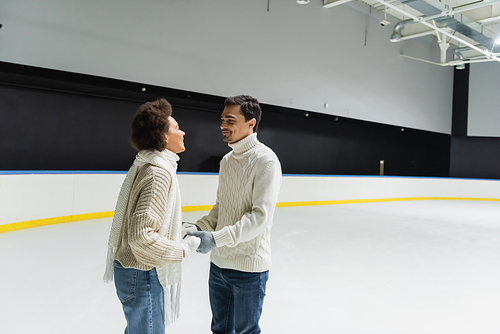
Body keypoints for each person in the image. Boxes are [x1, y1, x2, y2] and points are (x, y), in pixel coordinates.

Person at [185, 95, 282, 334]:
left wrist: (216, 239)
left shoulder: (266, 161)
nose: (223, 126)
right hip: (218, 265)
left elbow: (259, 218)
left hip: (249, 269)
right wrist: (198, 228)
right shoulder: (227, 161)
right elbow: (221, 208)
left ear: (251, 123)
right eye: (222, 120)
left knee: (246, 331)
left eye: (230, 120)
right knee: (220, 328)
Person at [103, 98, 200, 334]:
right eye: (177, 128)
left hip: (129, 270)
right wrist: (183, 249)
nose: (182, 132)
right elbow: (141, 237)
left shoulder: (146, 166)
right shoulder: (158, 173)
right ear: (164, 137)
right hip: (142, 273)